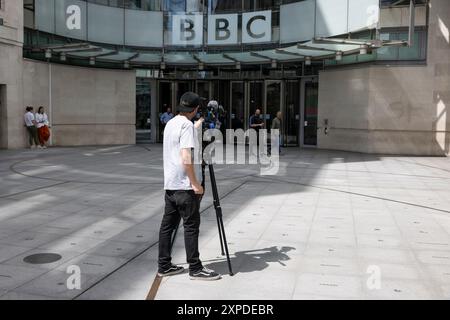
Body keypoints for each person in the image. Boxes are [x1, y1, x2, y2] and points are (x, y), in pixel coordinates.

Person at [158, 92, 221, 281]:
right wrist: (196, 184)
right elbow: (186, 157)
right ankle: (195, 268)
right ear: (194, 109)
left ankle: (164, 265)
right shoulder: (187, 126)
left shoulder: (172, 123)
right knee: (191, 227)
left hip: (170, 185)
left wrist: (198, 124)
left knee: (167, 227)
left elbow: (183, 136)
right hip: (185, 187)